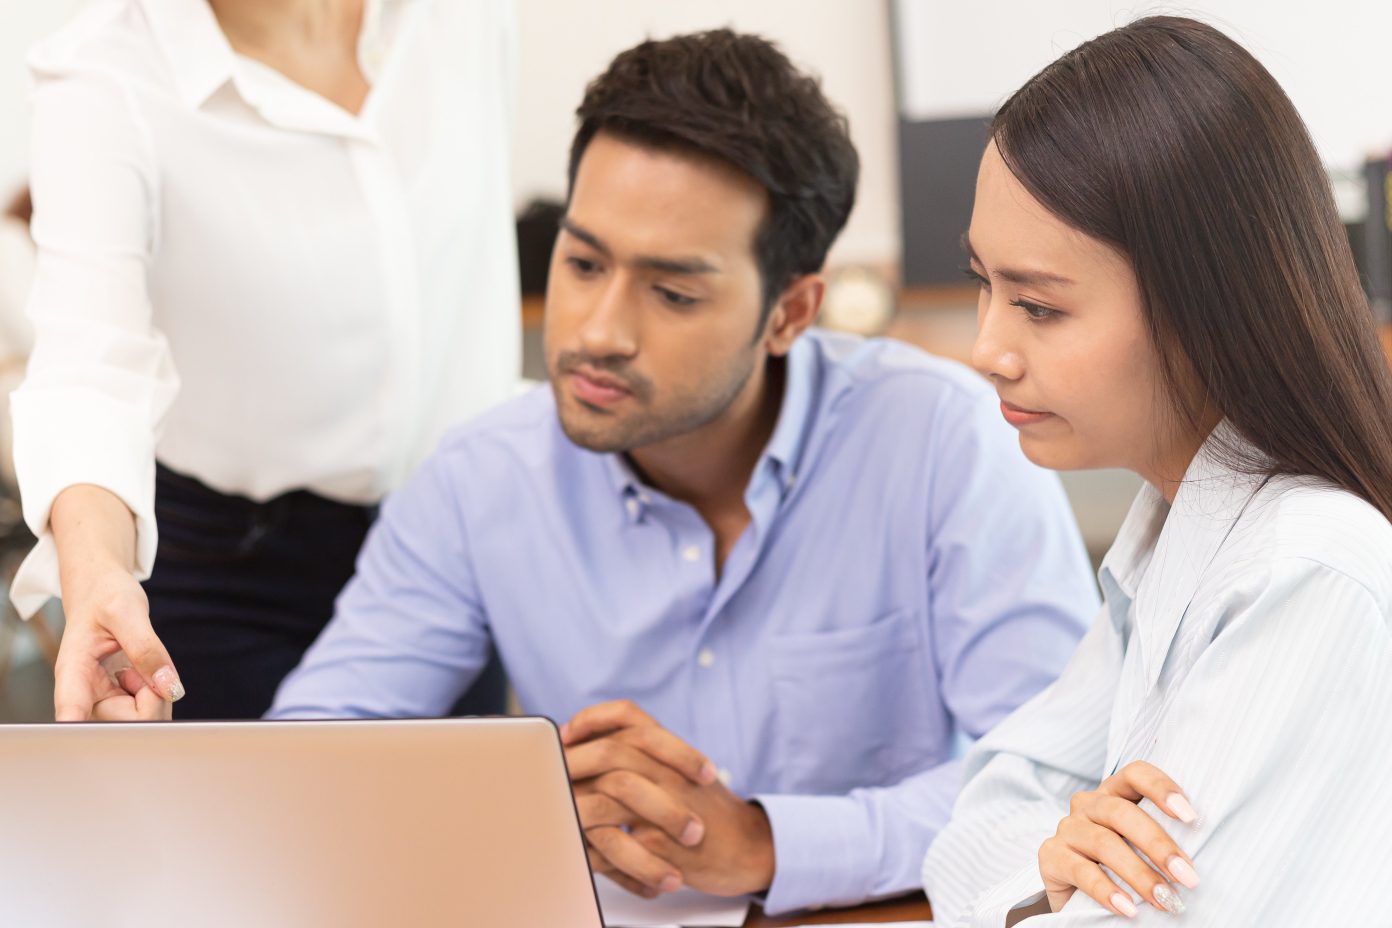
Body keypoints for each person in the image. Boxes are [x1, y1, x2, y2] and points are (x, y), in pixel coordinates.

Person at [261, 30, 1099, 915]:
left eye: (673, 293)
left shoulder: (941, 441)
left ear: (790, 313)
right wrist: (520, 805)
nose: (598, 331)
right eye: (583, 263)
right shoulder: (479, 480)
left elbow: (1059, 780)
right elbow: (304, 770)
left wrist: (768, 843)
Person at [920, 16, 1392, 927]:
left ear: (1206, 306)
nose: (988, 350)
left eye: (1038, 307)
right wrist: (1047, 872)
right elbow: (975, 816)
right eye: (984, 284)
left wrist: (1036, 886)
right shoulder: (1174, 521)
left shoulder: (1303, 573)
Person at [15, 0, 520, 720]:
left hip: (446, 546)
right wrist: (96, 574)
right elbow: (87, 365)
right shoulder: (104, 73)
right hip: (233, 570)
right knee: (245, 798)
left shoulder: (463, 19)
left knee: (461, 795)